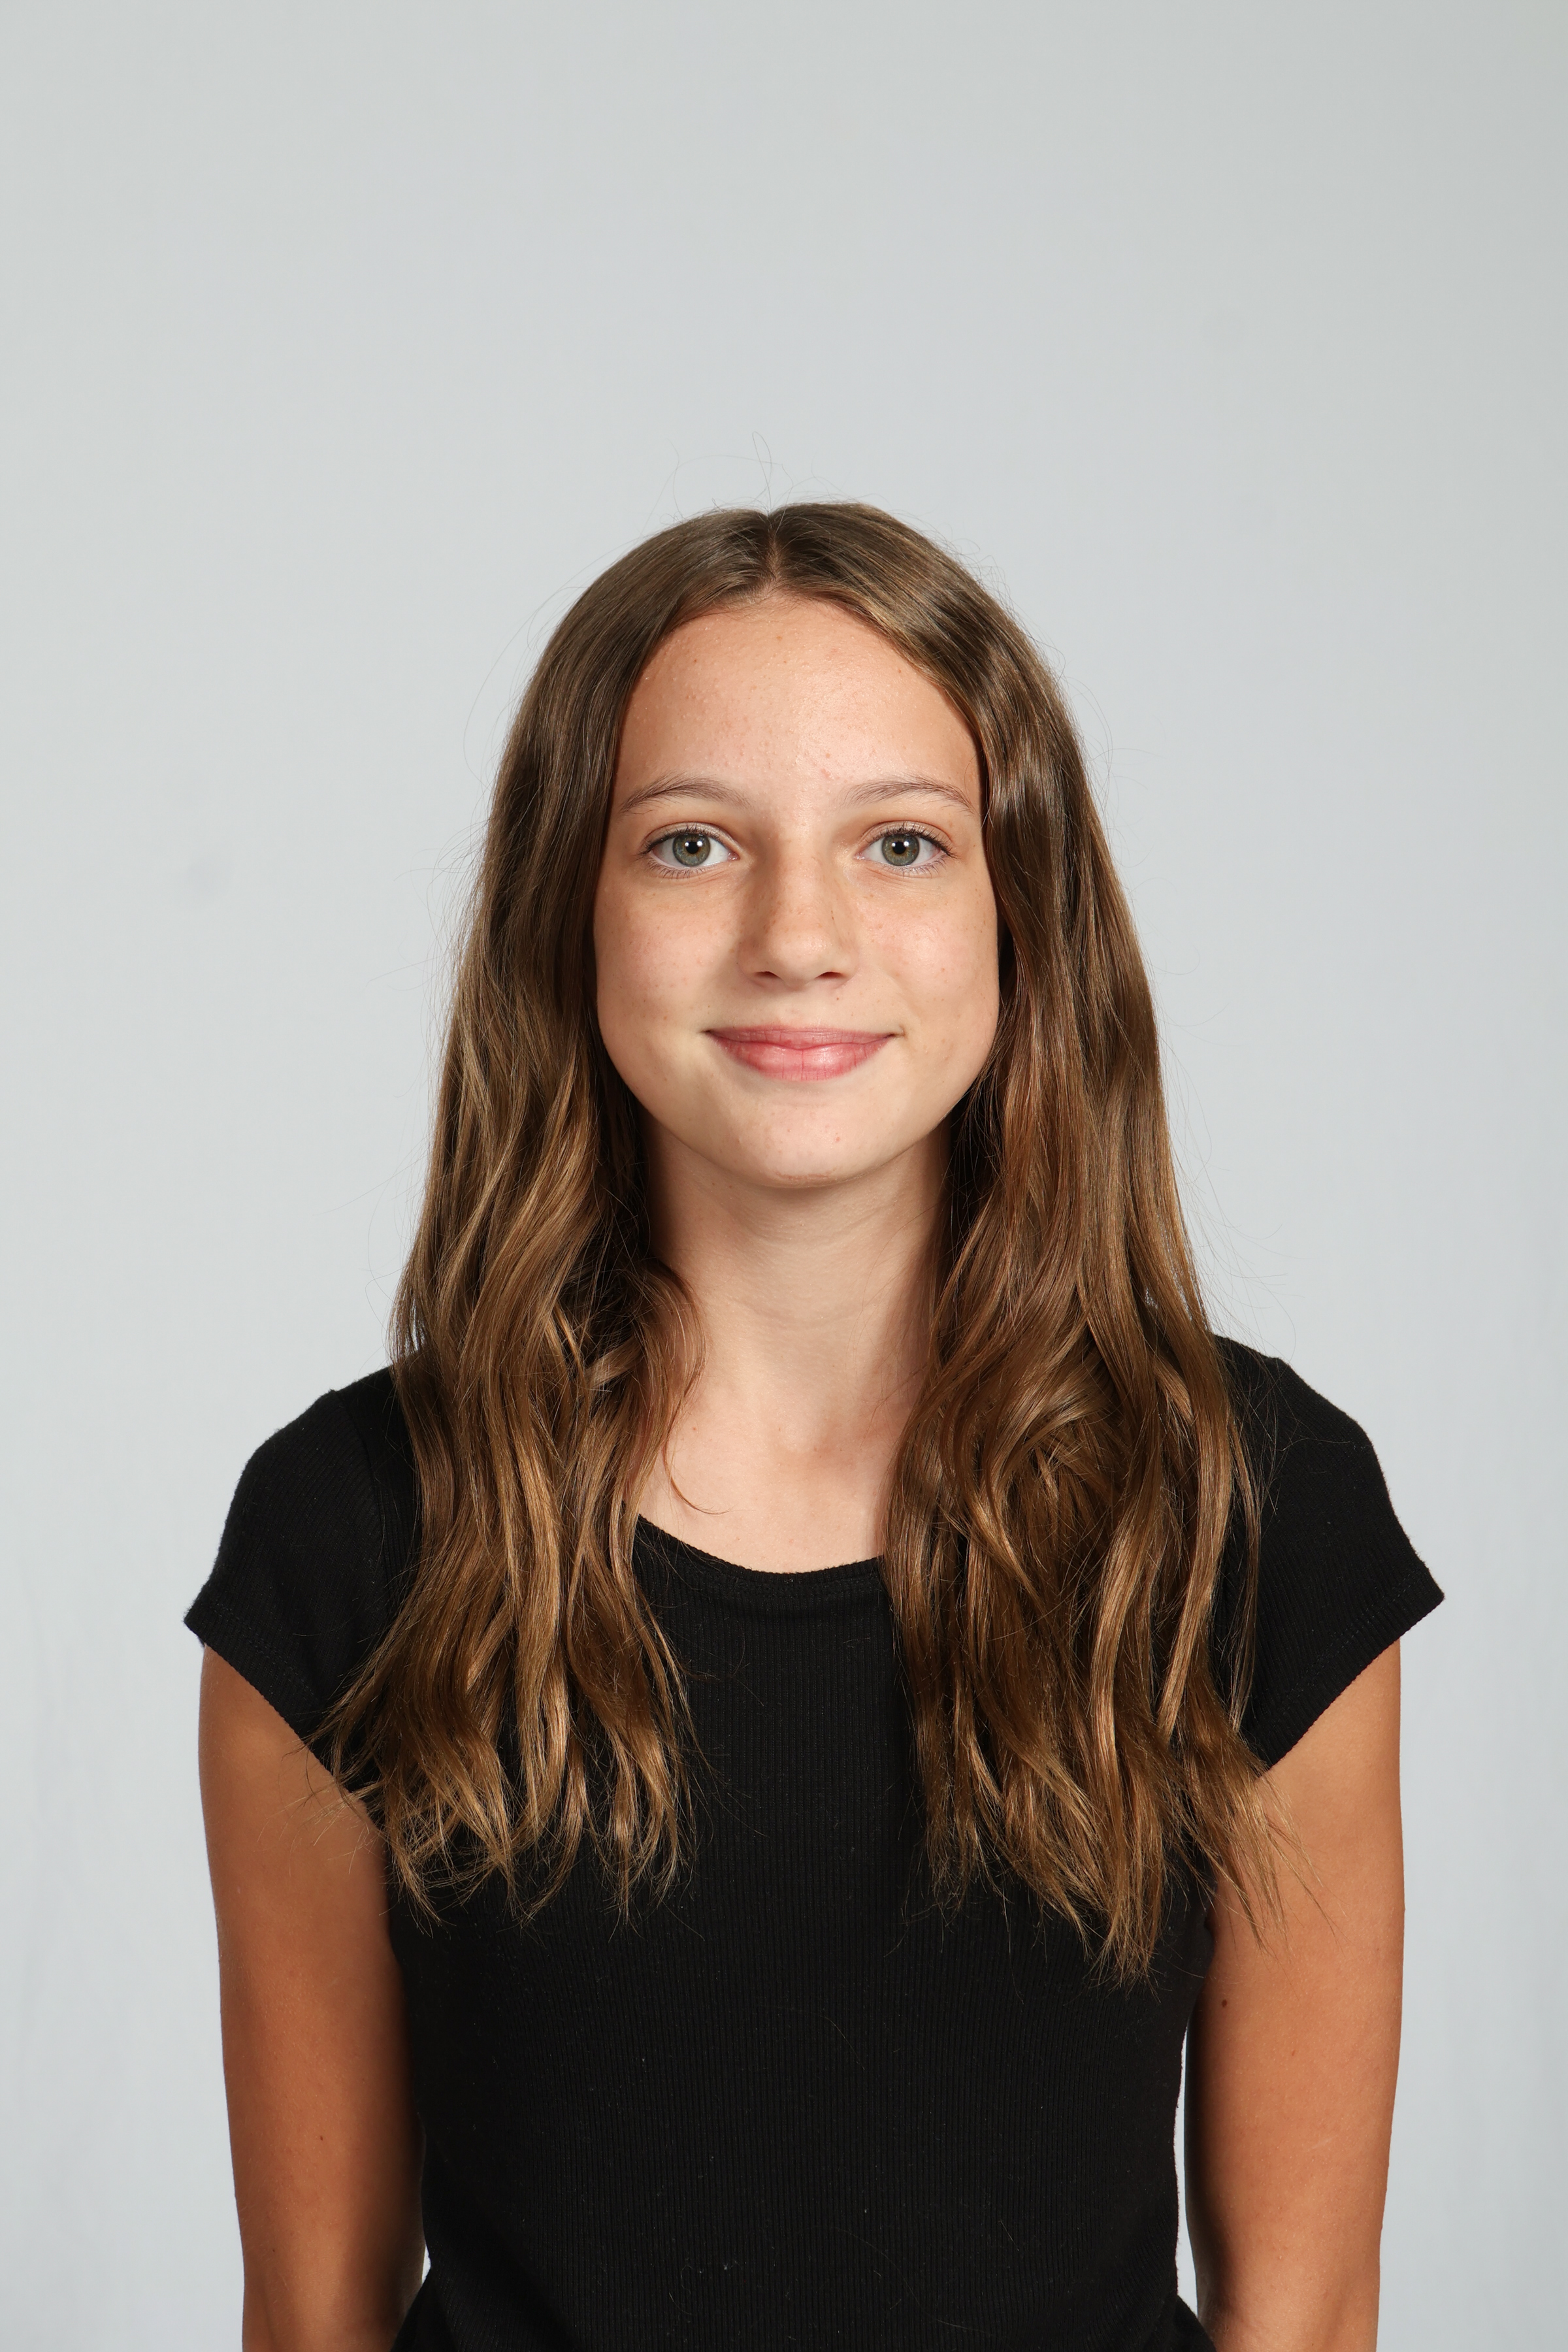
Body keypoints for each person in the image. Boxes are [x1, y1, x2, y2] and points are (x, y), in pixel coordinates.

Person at [189, 503, 1441, 2352]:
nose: (798, 938)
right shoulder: (351, 1534)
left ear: (1021, 915)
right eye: (691, 843)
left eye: (901, 844)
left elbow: (1307, 2314)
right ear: (569, 912)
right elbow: (314, 2321)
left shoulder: (1251, 1513)